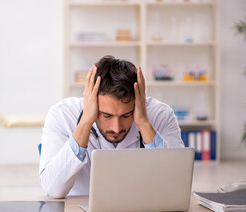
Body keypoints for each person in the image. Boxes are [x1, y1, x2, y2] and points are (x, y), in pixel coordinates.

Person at [39, 55, 184, 198]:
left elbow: (178, 184)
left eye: (126, 115)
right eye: (107, 116)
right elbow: (53, 189)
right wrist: (85, 122)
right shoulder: (62, 115)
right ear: (91, 100)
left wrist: (144, 123)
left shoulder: (161, 115)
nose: (116, 128)